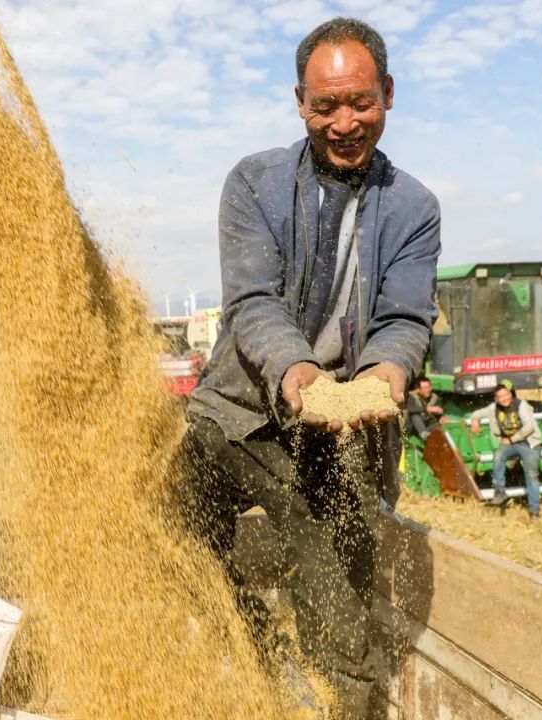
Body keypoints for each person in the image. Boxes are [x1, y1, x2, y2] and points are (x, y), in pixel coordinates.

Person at [179, 17, 440, 718]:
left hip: (337, 431)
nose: (345, 122)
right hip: (240, 411)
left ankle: (343, 699)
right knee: (172, 521)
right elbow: (254, 299)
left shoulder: (415, 208)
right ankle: (252, 662)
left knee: (338, 600)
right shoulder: (255, 183)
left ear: (387, 93)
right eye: (326, 106)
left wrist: (387, 373)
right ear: (300, 102)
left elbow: (405, 318)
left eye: (361, 102)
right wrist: (295, 371)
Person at [469, 381, 542, 518]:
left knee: (531, 475)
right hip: (510, 444)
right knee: (498, 457)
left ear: (510, 394)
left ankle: (534, 511)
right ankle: (500, 493)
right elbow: (478, 413)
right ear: (496, 399)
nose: (504, 399)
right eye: (500, 397)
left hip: (528, 443)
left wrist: (511, 439)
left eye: (506, 395)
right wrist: (474, 419)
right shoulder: (493, 408)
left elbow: (529, 427)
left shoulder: (521, 405)